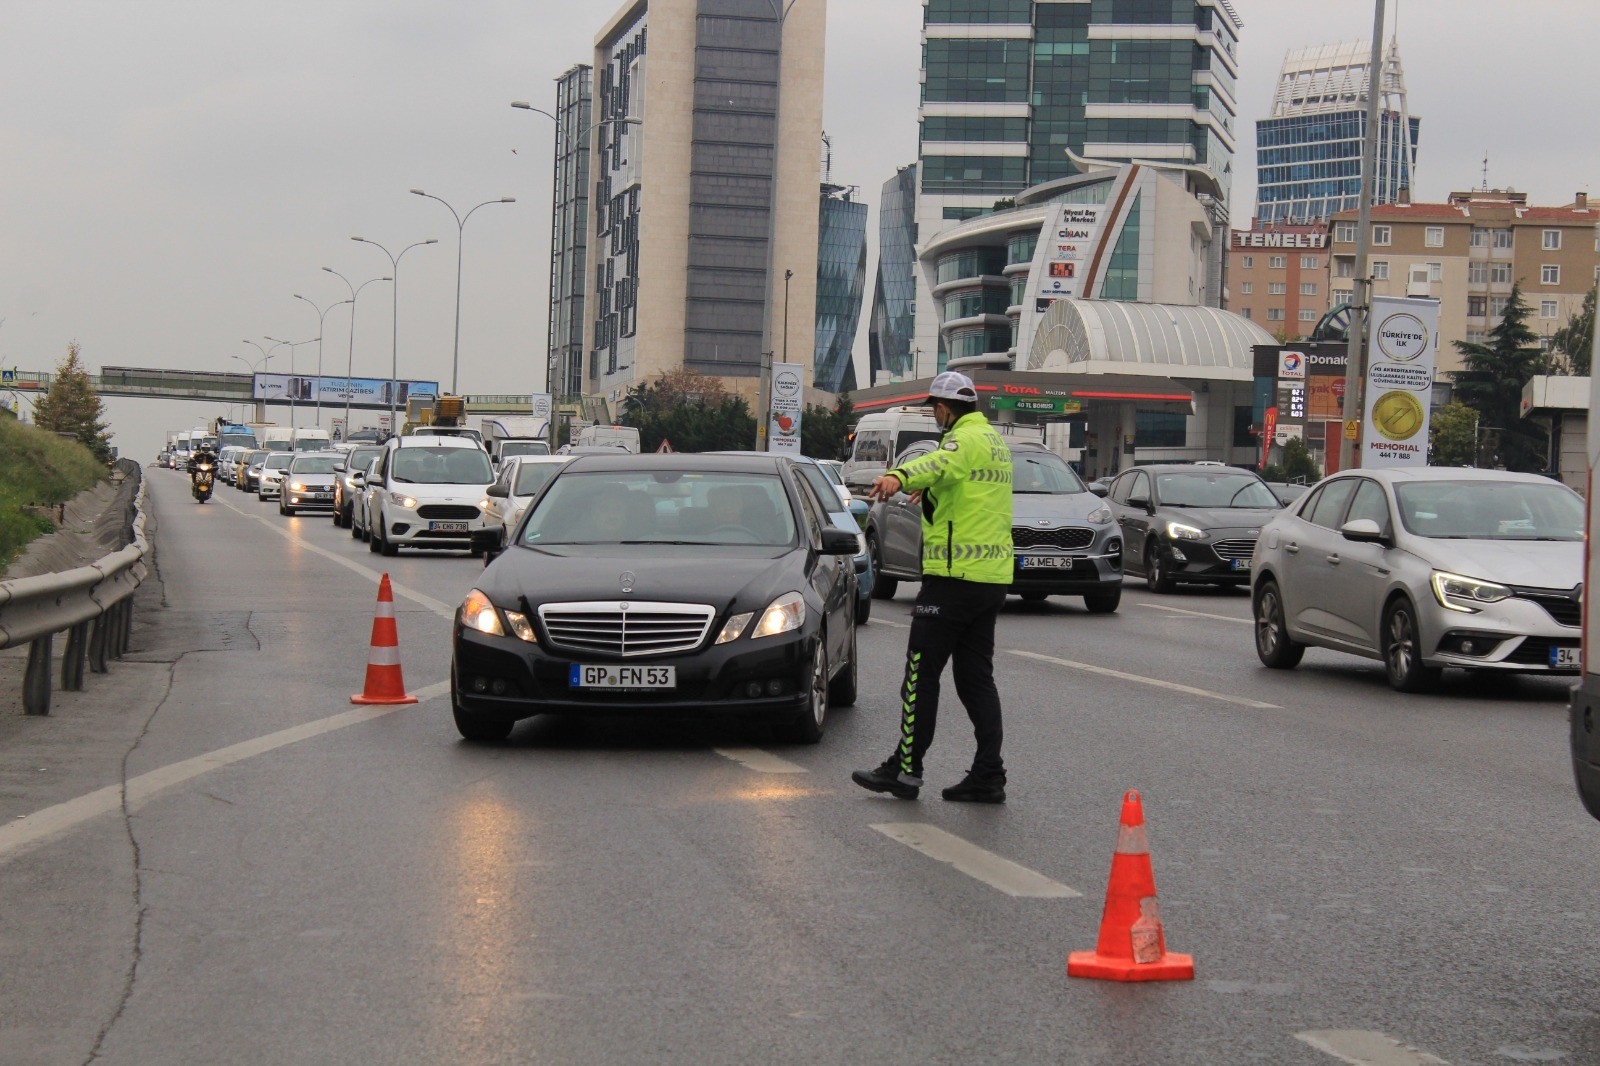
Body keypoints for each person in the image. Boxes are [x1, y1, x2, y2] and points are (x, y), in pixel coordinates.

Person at [851, 371, 1015, 804]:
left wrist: (899, 476)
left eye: (934, 410)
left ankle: (906, 770)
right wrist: (933, 496)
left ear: (944, 409)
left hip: (952, 581)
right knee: (976, 679)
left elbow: (942, 462)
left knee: (920, 676)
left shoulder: (960, 441)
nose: (935, 417)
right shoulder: (995, 441)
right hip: (989, 579)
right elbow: (965, 491)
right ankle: (988, 775)